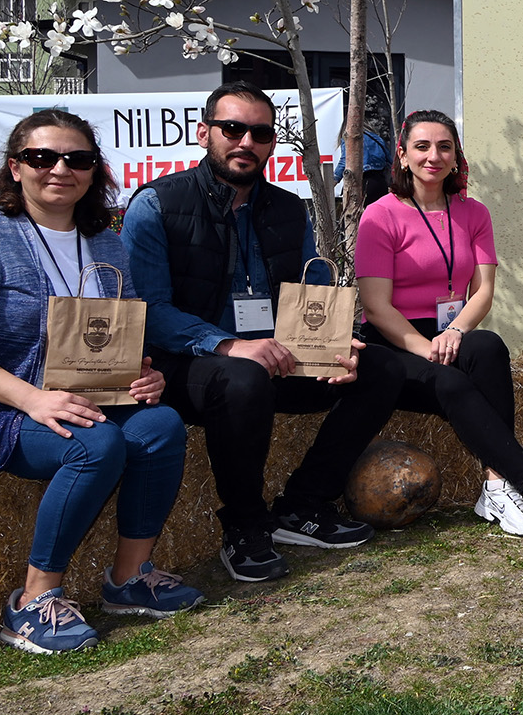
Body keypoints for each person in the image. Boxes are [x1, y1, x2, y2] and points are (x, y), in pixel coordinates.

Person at [0, 109, 200, 654]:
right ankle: (32, 600)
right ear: (14, 168)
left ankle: (129, 578)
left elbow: (114, 334)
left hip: (72, 396)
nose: (60, 169)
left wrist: (141, 373)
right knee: (97, 444)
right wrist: (32, 399)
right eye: (43, 157)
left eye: (78, 159)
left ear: (95, 172)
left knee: (161, 424)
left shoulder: (107, 244)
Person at [123, 83, 406, 584]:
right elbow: (148, 311)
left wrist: (338, 339)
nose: (245, 142)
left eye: (259, 132)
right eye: (233, 129)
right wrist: (229, 344)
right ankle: (245, 525)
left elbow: (310, 287)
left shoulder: (288, 208)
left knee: (380, 366)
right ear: (204, 133)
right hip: (188, 367)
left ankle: (302, 504)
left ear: (272, 143)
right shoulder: (156, 205)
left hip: (275, 355)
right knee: (242, 377)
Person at [355, 110, 523, 543]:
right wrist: (427, 348)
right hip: (393, 342)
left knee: (489, 347)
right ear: (402, 156)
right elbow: (375, 306)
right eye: (422, 146)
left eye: (445, 147)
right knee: (454, 383)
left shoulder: (473, 212)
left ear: (456, 156)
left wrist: (455, 332)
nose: (434, 156)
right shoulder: (379, 216)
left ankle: (495, 485)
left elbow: (483, 291)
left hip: (446, 329)